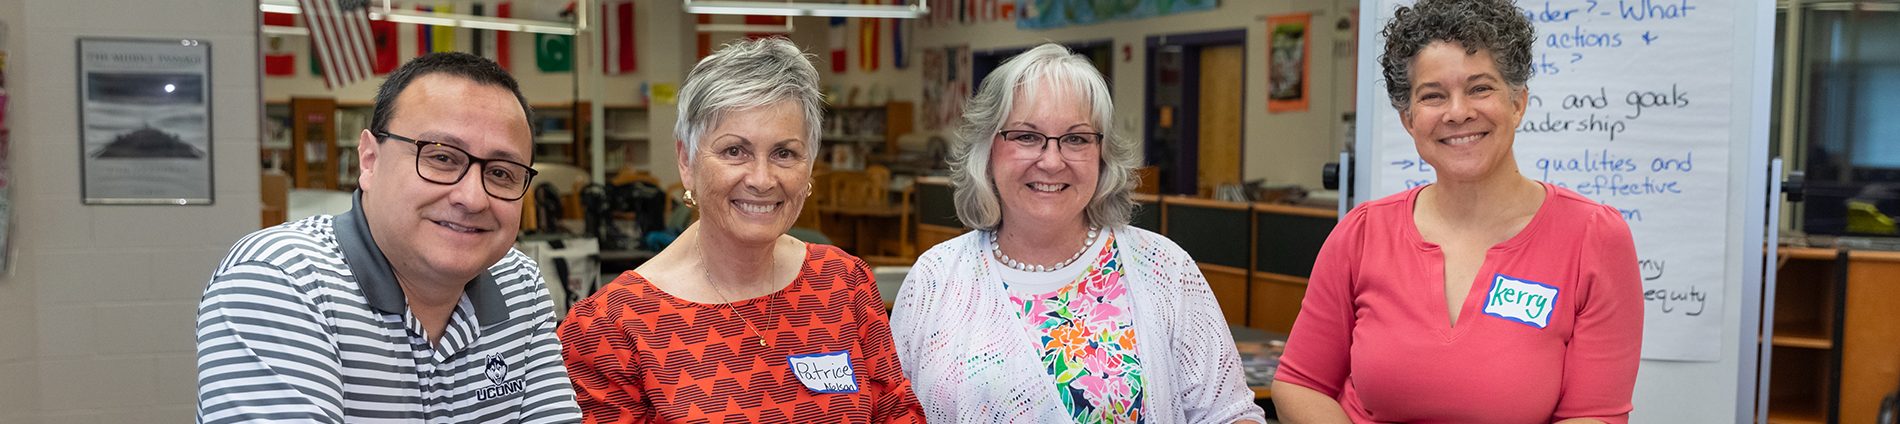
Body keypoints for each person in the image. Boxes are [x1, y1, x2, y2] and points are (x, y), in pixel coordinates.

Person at [1270, 0, 1644, 422]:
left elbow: (1595, 415)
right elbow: (1300, 384)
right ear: (1409, 119)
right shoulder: (1361, 233)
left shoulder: (1593, 237)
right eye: (1433, 95)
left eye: (1480, 88)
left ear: (1518, 103)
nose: (1458, 112)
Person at [889, 43, 1266, 423]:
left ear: (1102, 156)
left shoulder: (1164, 268)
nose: (1052, 161)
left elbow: (1230, 413)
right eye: (1026, 136)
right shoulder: (935, 278)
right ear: (987, 150)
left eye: (1076, 139)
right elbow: (891, 412)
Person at [556, 37, 925, 423]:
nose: (762, 179)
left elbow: (897, 413)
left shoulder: (843, 283)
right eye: (735, 151)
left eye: (785, 153)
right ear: (686, 161)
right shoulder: (611, 326)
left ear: (809, 165)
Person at [195, 52, 580, 422]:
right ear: (369, 160)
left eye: (501, 172)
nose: (472, 198)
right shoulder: (281, 280)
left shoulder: (517, 282)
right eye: (442, 157)